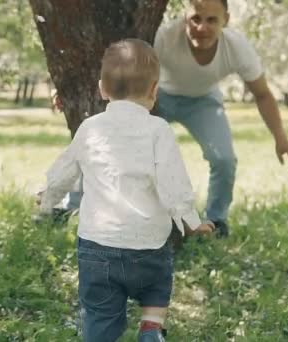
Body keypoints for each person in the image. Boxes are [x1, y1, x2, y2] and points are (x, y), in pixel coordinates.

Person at [38, 39, 214, 342]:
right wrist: (192, 221)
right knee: (156, 290)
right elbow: (174, 183)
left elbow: (63, 172)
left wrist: (47, 200)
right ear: (154, 91)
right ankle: (151, 329)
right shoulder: (159, 130)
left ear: (102, 89)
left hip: (98, 246)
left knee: (100, 314)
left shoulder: (90, 128)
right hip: (149, 246)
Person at [152, 0, 288, 237]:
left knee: (224, 160)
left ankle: (216, 222)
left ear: (226, 20)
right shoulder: (164, 37)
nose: (202, 28)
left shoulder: (237, 46)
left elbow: (262, 94)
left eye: (212, 20)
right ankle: (73, 204)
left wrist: (281, 137)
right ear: (184, 17)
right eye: (196, 19)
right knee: (125, 147)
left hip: (203, 102)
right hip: (160, 97)